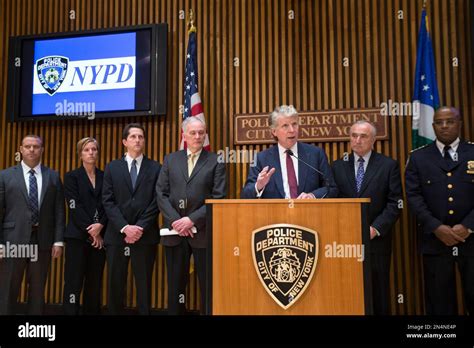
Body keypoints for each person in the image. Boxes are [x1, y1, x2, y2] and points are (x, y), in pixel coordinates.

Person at [406, 106, 474, 315]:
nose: (444, 126)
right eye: (439, 122)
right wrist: (436, 227)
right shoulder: (418, 158)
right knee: (439, 304)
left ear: (459, 124)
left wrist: (469, 226)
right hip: (435, 241)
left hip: (472, 241)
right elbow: (413, 197)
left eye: (450, 121)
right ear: (433, 126)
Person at [156, 117, 226, 315]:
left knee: (207, 285)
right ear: (184, 135)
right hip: (173, 232)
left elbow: (219, 196)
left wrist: (191, 220)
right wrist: (177, 222)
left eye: (201, 133)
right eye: (193, 133)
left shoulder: (216, 161)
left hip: (203, 233)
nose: (198, 136)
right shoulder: (171, 159)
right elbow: (161, 193)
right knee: (175, 285)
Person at [331, 120, 402, 315]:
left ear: (373, 140)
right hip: (344, 243)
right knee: (346, 293)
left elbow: (395, 203)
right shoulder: (337, 166)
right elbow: (333, 200)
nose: (358, 140)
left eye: (363, 136)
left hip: (376, 242)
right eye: (354, 135)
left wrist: (375, 228)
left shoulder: (388, 165)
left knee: (377, 294)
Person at [0, 135, 65, 315]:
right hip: (13, 241)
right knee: (8, 289)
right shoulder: (5, 176)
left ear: (42, 150)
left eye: (36, 147)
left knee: (37, 290)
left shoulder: (52, 176)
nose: (31, 150)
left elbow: (59, 210)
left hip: (41, 240)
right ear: (21, 149)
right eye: (27, 146)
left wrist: (58, 241)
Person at [102, 123, 161, 315]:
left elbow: (157, 201)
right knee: (115, 284)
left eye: (141, 137)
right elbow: (108, 201)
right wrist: (125, 227)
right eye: (133, 137)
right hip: (117, 236)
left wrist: (139, 228)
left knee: (144, 285)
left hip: (145, 236)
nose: (137, 140)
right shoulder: (112, 167)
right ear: (124, 142)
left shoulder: (155, 167)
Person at [241, 105, 337, 199]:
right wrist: (258, 186)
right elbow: (245, 195)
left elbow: (331, 188)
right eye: (285, 126)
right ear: (274, 131)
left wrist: (312, 195)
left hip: (308, 212)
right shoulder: (261, 159)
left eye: (294, 124)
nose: (292, 130)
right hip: (274, 214)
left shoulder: (316, 154)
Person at [63, 137, 107, 315]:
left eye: (94, 149)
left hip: (101, 237)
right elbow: (74, 205)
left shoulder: (105, 176)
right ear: (80, 153)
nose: (91, 153)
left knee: (94, 282)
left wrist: (101, 225)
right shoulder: (72, 176)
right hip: (78, 237)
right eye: (87, 150)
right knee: (73, 281)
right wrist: (92, 230)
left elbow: (108, 204)